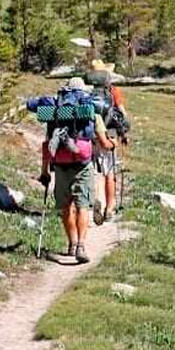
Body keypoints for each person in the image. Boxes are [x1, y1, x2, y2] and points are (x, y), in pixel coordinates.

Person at [39, 77, 115, 263]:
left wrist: (45, 172)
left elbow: (47, 145)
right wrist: (112, 145)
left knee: (65, 207)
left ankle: (72, 244)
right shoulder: (90, 113)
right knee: (82, 206)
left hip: (60, 165)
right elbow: (104, 143)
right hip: (82, 164)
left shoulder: (56, 114)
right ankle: (81, 245)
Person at [88, 59, 130, 223]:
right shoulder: (113, 91)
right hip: (109, 135)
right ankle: (110, 207)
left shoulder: (87, 90)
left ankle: (96, 200)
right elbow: (121, 113)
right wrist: (124, 133)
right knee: (109, 172)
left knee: (94, 171)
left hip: (90, 135)